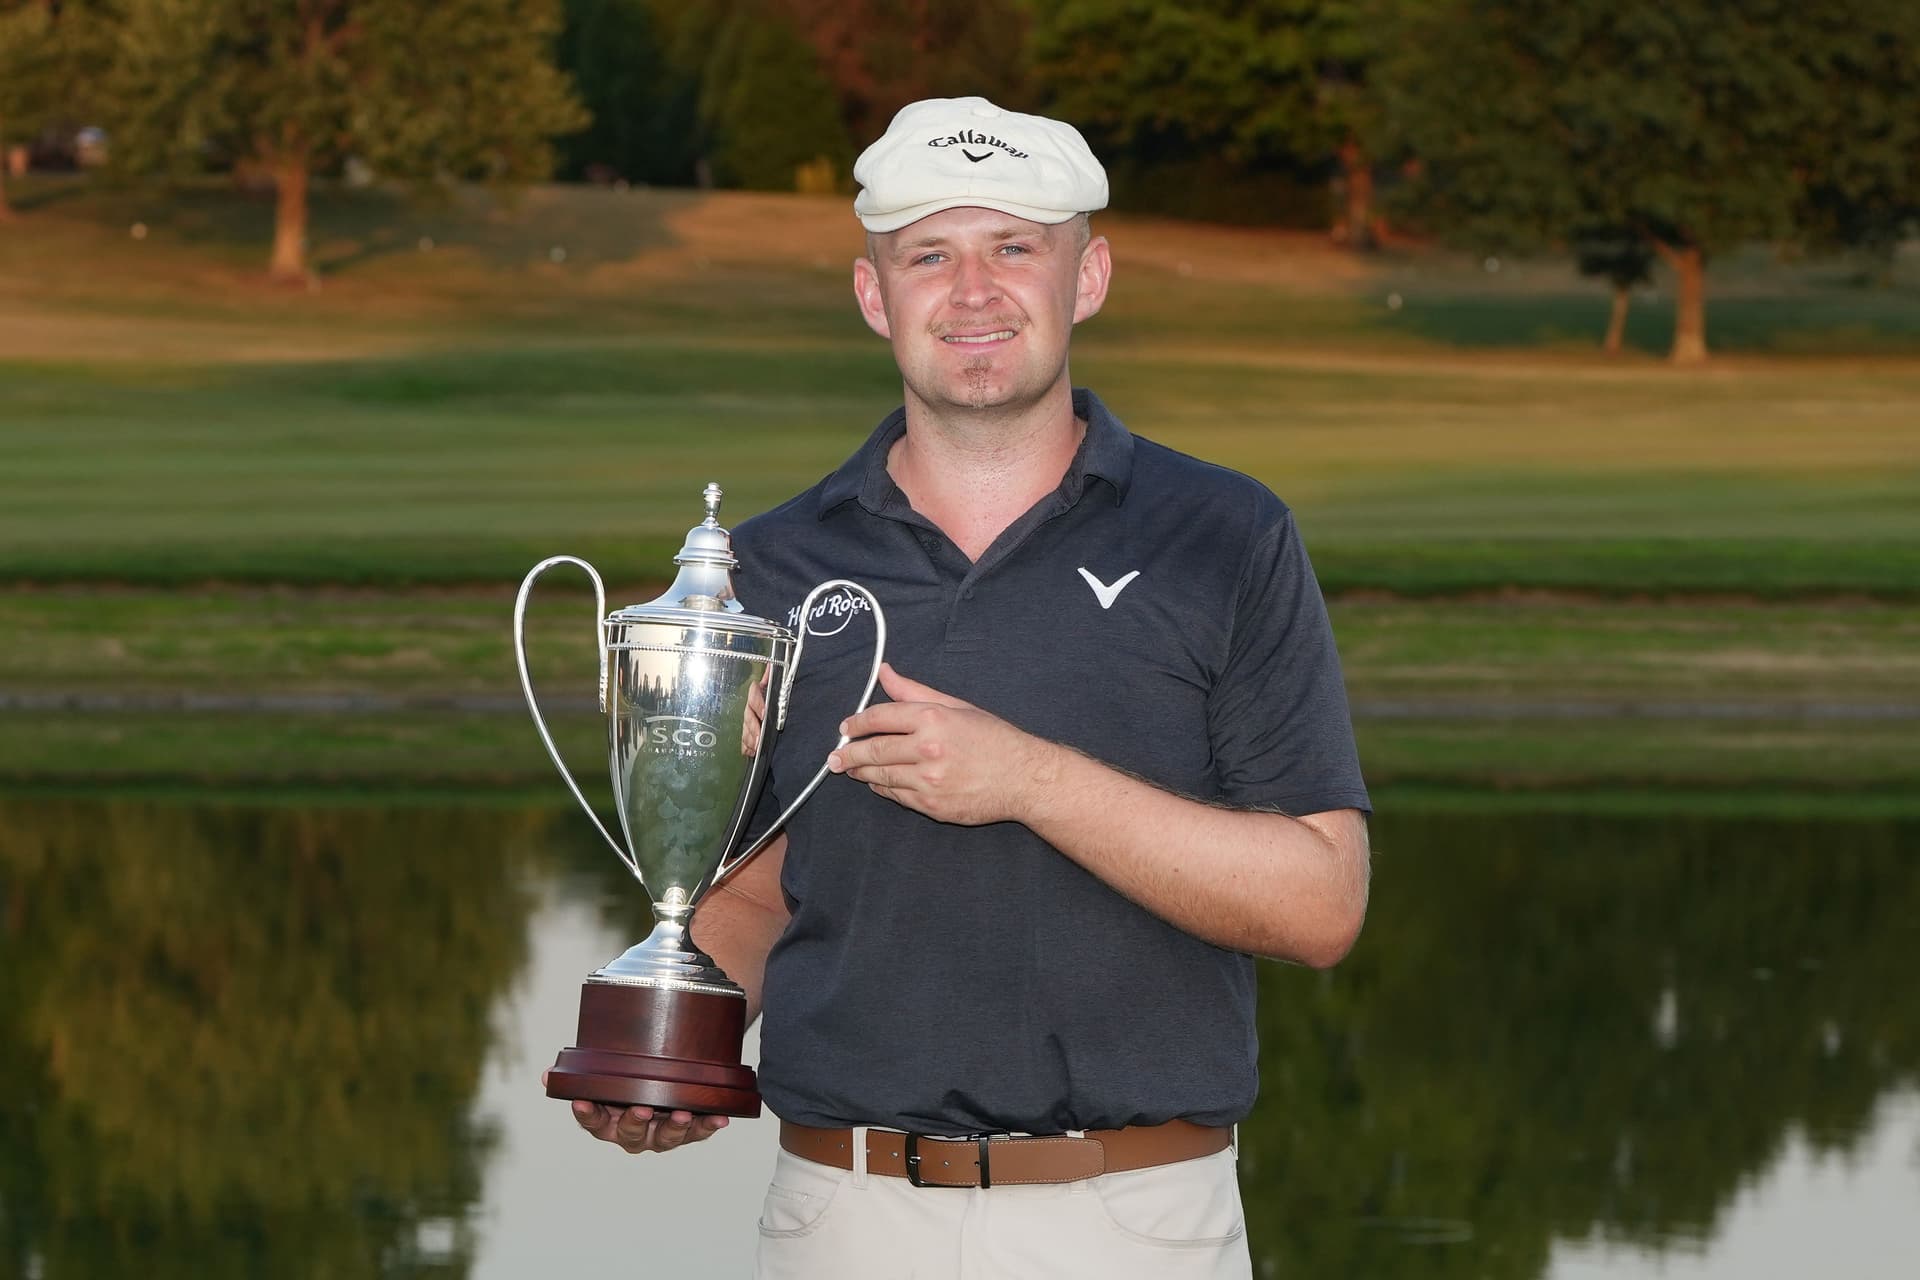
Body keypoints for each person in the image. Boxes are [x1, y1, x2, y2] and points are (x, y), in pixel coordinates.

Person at [559, 96, 1372, 1278]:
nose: (974, 290)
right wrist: (683, 1041)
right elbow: (749, 893)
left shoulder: (1225, 533)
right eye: (929, 253)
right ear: (874, 294)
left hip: (1136, 1214)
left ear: (1086, 277)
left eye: (1014, 248)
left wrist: (1027, 777)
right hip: (845, 1211)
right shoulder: (772, 569)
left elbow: (1321, 902)